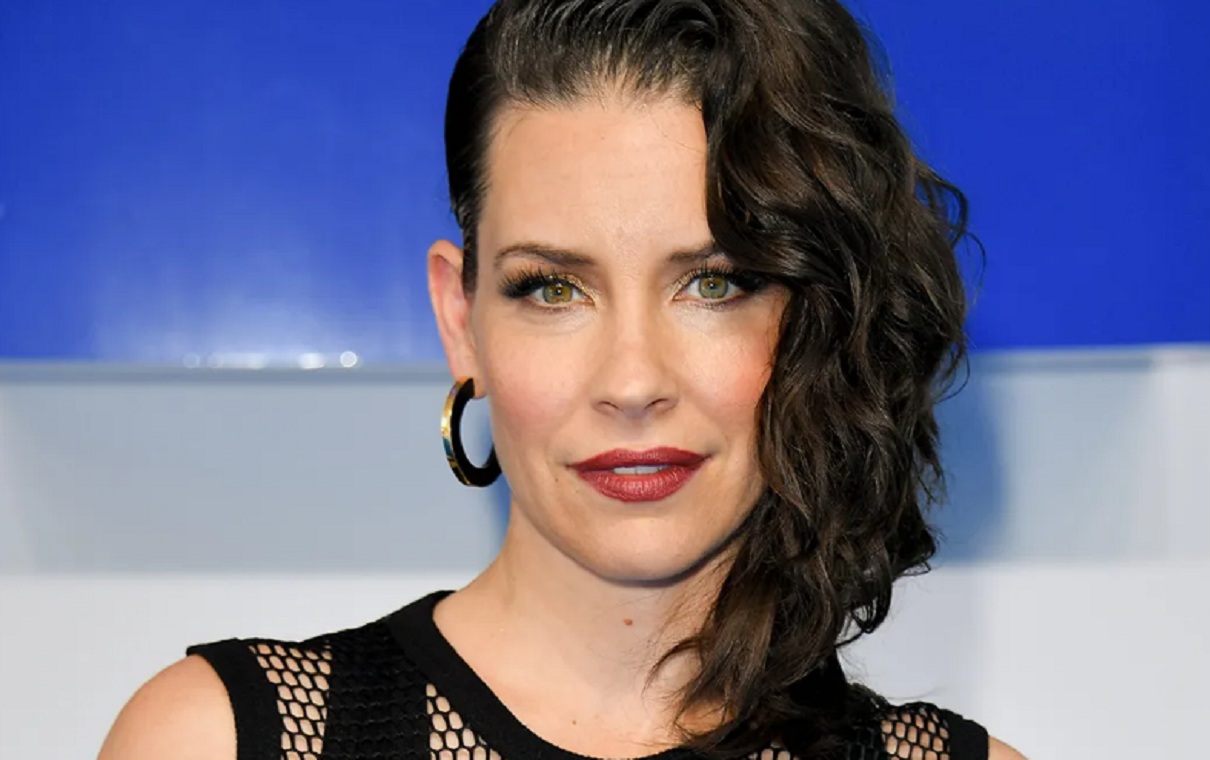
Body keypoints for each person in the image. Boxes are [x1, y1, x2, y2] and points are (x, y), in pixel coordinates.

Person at [99, 1, 1025, 758]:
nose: (632, 380)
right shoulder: (217, 741)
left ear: (818, 317)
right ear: (460, 319)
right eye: (552, 288)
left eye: (714, 283)